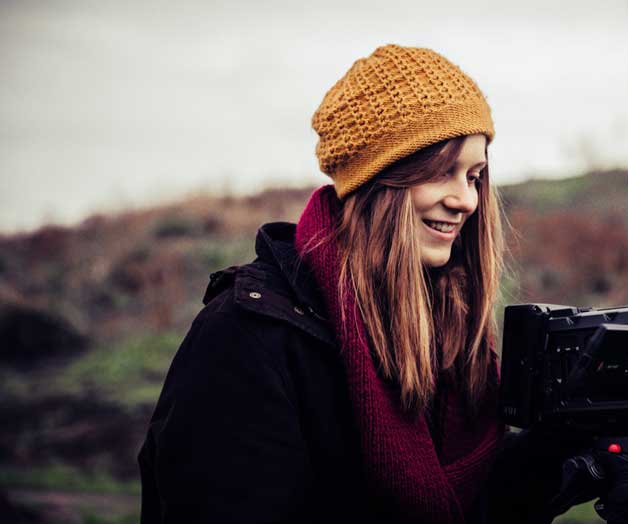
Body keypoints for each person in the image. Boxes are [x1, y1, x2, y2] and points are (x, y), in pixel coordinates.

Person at [138, 44, 581, 524]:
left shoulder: (447, 324)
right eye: (441, 173)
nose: (467, 201)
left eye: (474, 176)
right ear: (377, 181)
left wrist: (562, 449)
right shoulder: (248, 339)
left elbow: (471, 502)